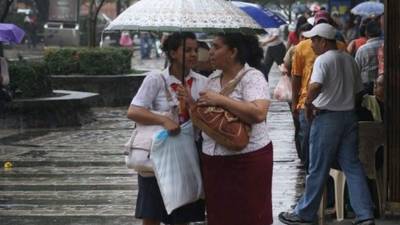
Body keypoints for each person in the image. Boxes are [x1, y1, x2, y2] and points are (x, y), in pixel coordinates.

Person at [279, 23, 376, 225]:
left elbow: (315, 85)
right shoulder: (349, 60)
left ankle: (304, 213)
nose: (311, 44)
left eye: (314, 40)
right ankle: (365, 214)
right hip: (348, 117)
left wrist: (308, 103)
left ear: (323, 41)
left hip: (327, 118)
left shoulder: (323, 60)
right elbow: (359, 92)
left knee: (317, 167)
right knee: (352, 166)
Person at [127, 32, 206, 225]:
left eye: (195, 50)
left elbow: (206, 120)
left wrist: (191, 103)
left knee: (183, 212)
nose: (193, 54)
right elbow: (134, 111)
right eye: (187, 50)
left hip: (189, 155)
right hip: (159, 155)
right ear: (172, 53)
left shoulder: (202, 83)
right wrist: (163, 121)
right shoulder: (156, 79)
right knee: (152, 212)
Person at [197, 33, 273, 225]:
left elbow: (258, 113)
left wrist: (220, 99)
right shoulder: (213, 79)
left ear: (232, 52)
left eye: (216, 47)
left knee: (249, 215)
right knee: (220, 215)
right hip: (214, 160)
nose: (210, 52)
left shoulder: (253, 78)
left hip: (248, 160)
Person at [291, 12, 346, 168]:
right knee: (307, 137)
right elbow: (296, 76)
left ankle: (317, 172)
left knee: (323, 142)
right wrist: (295, 103)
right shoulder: (301, 47)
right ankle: (309, 167)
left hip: (330, 103)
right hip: (306, 101)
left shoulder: (341, 48)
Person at [355, 20, 383, 95]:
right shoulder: (385, 45)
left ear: (366, 33)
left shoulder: (362, 49)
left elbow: (356, 70)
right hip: (384, 85)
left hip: (366, 87)